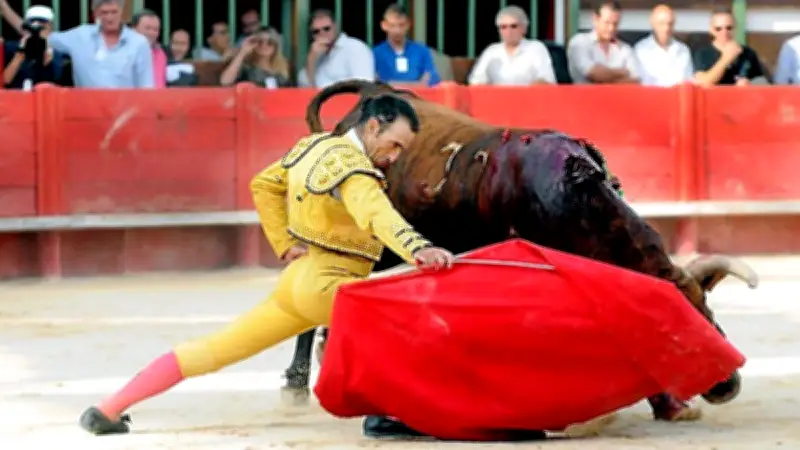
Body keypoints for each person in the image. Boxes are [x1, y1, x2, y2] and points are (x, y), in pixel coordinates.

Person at [77, 94, 455, 435]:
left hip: (297, 281)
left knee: (215, 349)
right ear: (373, 127)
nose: (395, 157)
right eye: (394, 144)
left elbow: (264, 184)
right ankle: (386, 415)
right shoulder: (354, 169)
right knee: (408, 322)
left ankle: (109, 408)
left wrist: (285, 244)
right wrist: (417, 248)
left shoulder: (314, 145)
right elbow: (375, 214)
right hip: (330, 285)